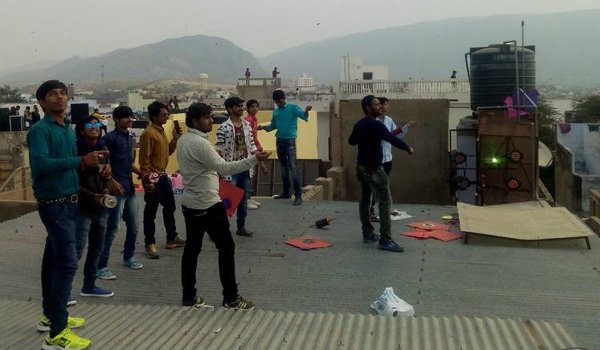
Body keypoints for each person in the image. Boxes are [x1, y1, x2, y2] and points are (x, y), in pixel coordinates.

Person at [176, 102, 271, 309]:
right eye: (207, 117)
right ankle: (231, 298)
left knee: (192, 249)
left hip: (191, 203)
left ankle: (189, 297)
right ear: (195, 121)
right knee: (226, 247)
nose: (211, 121)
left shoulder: (184, 140)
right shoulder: (199, 143)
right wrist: (254, 159)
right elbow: (224, 166)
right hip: (207, 204)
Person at [28, 80, 96, 350]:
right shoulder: (40, 131)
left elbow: (70, 167)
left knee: (52, 261)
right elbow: (41, 165)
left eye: (63, 93)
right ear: (42, 103)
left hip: (69, 202)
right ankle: (57, 333)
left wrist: (92, 166)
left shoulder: (67, 129)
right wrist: (81, 161)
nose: (60, 97)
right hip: (54, 205)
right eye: (53, 95)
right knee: (67, 263)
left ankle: (50, 316)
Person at [348, 95, 414, 253]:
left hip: (361, 167)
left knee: (365, 199)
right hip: (374, 169)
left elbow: (352, 141)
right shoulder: (376, 125)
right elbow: (391, 138)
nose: (380, 107)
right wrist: (408, 148)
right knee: (385, 201)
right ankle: (385, 239)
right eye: (377, 105)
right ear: (368, 108)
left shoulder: (360, 124)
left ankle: (368, 233)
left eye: (380, 104)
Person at [74, 115, 122, 298]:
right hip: (81, 207)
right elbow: (72, 181)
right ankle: (65, 290)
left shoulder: (103, 149)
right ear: (81, 129)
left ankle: (89, 285)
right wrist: (91, 196)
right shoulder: (76, 150)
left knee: (96, 249)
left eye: (97, 124)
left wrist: (107, 187)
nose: (94, 126)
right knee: (77, 250)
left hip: (100, 206)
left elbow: (105, 176)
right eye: (90, 124)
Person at [96, 105, 144, 280]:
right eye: (125, 117)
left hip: (129, 188)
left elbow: (126, 162)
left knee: (134, 225)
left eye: (131, 116)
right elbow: (101, 165)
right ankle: (100, 266)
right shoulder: (108, 139)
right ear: (116, 120)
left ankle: (129, 256)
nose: (130, 119)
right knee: (112, 228)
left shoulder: (130, 138)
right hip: (115, 191)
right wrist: (111, 181)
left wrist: (140, 173)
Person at [138, 101, 184, 259]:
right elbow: (143, 161)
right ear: (153, 117)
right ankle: (149, 243)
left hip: (163, 176)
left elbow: (167, 153)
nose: (167, 117)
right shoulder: (148, 134)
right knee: (150, 211)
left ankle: (171, 238)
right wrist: (148, 180)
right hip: (153, 178)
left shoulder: (161, 131)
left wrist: (175, 139)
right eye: (164, 114)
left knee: (170, 207)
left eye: (167, 114)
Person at [257, 90, 311, 206]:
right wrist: (263, 128)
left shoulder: (293, 108)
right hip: (279, 140)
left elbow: (304, 116)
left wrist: (306, 111)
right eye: (276, 101)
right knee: (283, 168)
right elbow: (274, 125)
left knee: (293, 168)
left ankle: (298, 196)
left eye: (280, 100)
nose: (279, 103)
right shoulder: (276, 111)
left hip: (290, 141)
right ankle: (286, 192)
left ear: (284, 98)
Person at [216, 97, 258, 237]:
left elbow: (251, 145)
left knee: (244, 199)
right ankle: (218, 228)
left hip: (244, 168)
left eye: (241, 105)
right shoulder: (223, 128)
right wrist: (219, 169)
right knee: (227, 201)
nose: (241, 108)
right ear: (230, 109)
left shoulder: (246, 125)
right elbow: (219, 148)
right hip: (230, 169)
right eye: (238, 106)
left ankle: (241, 227)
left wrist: (260, 159)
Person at [369, 97, 416, 222]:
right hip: (377, 158)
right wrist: (405, 145)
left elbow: (395, 136)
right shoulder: (374, 121)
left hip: (387, 158)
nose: (387, 107)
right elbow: (388, 136)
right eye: (385, 105)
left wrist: (405, 128)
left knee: (385, 185)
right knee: (374, 186)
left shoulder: (388, 120)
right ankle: (371, 209)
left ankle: (384, 209)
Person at [245, 99, 269, 209]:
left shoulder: (254, 119)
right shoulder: (248, 120)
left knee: (251, 173)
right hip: (249, 150)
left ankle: (249, 197)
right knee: (248, 174)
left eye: (256, 106)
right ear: (248, 108)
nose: (255, 108)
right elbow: (250, 137)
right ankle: (246, 200)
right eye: (252, 107)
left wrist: (259, 145)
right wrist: (257, 147)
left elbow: (255, 136)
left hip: (254, 148)